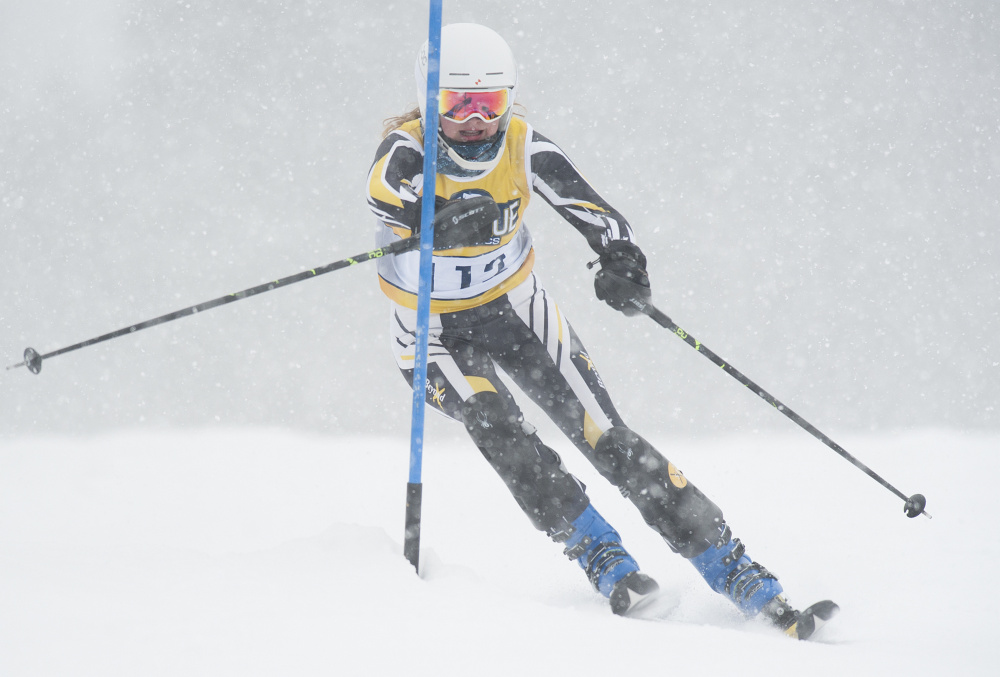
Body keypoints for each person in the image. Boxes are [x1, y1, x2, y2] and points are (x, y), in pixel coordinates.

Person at [366, 23, 833, 639]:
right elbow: (384, 195)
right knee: (501, 429)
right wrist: (434, 217)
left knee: (606, 435)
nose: (476, 119)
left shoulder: (523, 146)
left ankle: (736, 569)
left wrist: (621, 261)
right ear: (430, 104)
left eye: (491, 103)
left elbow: (593, 210)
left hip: (515, 311)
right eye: (457, 103)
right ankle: (600, 555)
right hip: (434, 334)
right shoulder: (406, 150)